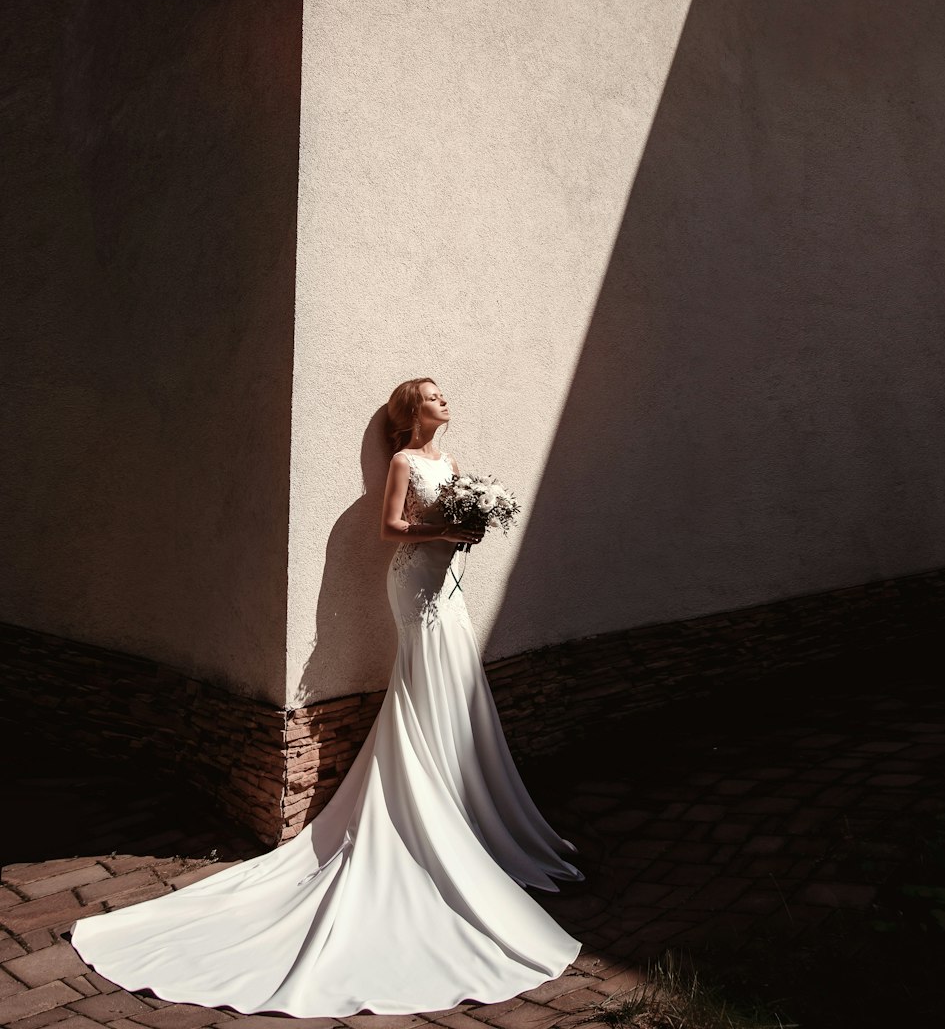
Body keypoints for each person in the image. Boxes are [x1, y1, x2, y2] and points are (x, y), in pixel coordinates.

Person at [70, 377, 583, 1017]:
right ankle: (422, 809)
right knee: (422, 681)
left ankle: (464, 802)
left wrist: (466, 526)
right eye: (432, 395)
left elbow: (449, 518)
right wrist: (441, 531)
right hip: (414, 585)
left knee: (455, 682)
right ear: (410, 411)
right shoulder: (401, 461)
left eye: (443, 394)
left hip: (447, 585)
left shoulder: (448, 463)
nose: (444, 400)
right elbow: (391, 529)